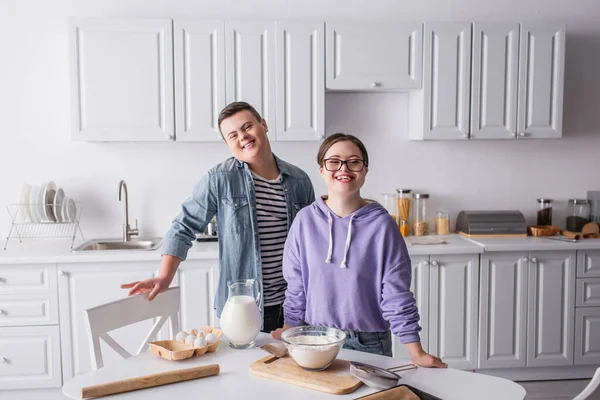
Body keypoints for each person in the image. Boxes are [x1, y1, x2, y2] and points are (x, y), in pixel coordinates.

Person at [121, 102, 315, 333]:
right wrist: (164, 276)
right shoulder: (220, 179)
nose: (243, 137)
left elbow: (313, 241)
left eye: (247, 127)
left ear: (263, 125)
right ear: (227, 143)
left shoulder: (299, 180)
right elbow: (184, 226)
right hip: (244, 308)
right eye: (233, 135)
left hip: (294, 307)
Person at [271, 133, 446, 367]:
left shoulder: (383, 226)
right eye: (333, 161)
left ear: (365, 170)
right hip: (314, 340)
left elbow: (396, 293)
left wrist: (416, 352)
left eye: (354, 161)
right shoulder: (304, 221)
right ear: (322, 170)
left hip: (369, 342)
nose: (344, 168)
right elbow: (297, 285)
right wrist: (290, 331)